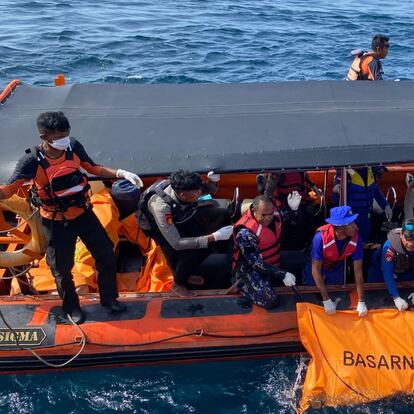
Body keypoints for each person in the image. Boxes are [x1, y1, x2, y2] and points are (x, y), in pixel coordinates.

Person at [0, 111, 142, 323]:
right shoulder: (31, 160)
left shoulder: (73, 146)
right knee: (61, 269)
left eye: (66, 134)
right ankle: (71, 307)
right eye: (59, 137)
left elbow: (93, 168)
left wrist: (121, 173)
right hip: (55, 222)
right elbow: (10, 189)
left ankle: (109, 299)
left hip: (84, 215)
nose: (64, 140)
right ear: (44, 137)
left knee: (106, 255)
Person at [139, 169, 233, 296]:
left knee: (207, 230)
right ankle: (178, 283)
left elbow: (207, 189)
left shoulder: (189, 186)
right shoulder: (161, 207)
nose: (200, 193)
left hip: (181, 213)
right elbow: (176, 243)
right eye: (197, 193)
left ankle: (187, 274)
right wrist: (214, 237)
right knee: (183, 252)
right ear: (183, 195)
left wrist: (213, 181)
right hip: (157, 226)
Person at [232, 195, 296, 309]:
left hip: (273, 261)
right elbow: (255, 263)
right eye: (263, 215)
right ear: (254, 210)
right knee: (269, 301)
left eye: (270, 214)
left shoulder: (276, 214)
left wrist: (294, 210)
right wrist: (282, 274)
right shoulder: (245, 232)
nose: (268, 218)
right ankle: (243, 286)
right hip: (251, 269)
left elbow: (294, 222)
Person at [302, 206, 367, 317]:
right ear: (340, 228)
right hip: (317, 268)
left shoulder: (357, 239)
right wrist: (326, 300)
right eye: (351, 224)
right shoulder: (320, 238)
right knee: (312, 294)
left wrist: (361, 300)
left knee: (338, 293)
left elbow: (358, 272)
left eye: (354, 222)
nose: (355, 226)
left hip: (336, 267)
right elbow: (315, 270)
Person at [333, 167, 392, 243]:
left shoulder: (371, 171)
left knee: (364, 238)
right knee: (350, 241)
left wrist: (386, 206)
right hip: (351, 216)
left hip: (366, 214)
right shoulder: (344, 171)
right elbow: (336, 196)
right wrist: (336, 189)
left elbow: (376, 191)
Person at [380, 220, 414, 311]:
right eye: (407, 240)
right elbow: (387, 273)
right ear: (401, 236)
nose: (410, 244)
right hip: (387, 272)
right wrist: (396, 297)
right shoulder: (389, 246)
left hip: (407, 273)